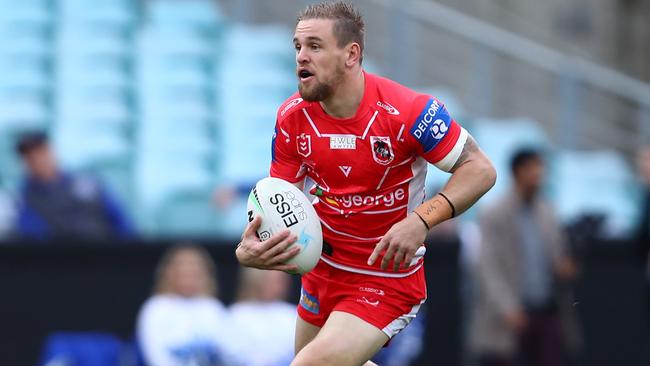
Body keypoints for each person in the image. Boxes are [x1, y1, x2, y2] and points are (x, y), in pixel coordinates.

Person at [235, 2, 497, 365]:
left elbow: (480, 169)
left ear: (351, 54)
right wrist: (251, 248)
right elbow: (281, 202)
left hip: (384, 278)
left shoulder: (409, 111)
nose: (301, 57)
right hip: (322, 273)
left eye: (314, 46)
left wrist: (420, 221)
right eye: (297, 46)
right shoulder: (292, 117)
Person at [470, 149, 580, 366]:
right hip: (510, 317)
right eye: (532, 168)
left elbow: (557, 255)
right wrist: (507, 308)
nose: (538, 173)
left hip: (546, 311)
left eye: (540, 167)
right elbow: (488, 267)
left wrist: (564, 267)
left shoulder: (547, 212)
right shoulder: (495, 213)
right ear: (517, 171)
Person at [14, 132, 134, 241]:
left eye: (40, 152)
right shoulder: (26, 199)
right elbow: (33, 235)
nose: (37, 159)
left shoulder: (88, 183)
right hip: (63, 259)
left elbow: (122, 222)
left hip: (107, 254)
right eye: (30, 156)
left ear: (51, 151)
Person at [137, 244, 231, 366]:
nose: (188, 277)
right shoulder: (155, 307)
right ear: (169, 273)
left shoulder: (214, 308)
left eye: (193, 272)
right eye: (183, 271)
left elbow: (227, 354)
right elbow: (155, 357)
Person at [227, 268, 297, 366]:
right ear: (256, 280)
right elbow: (230, 349)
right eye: (271, 281)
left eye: (280, 282)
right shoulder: (237, 314)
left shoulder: (292, 314)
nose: (277, 286)